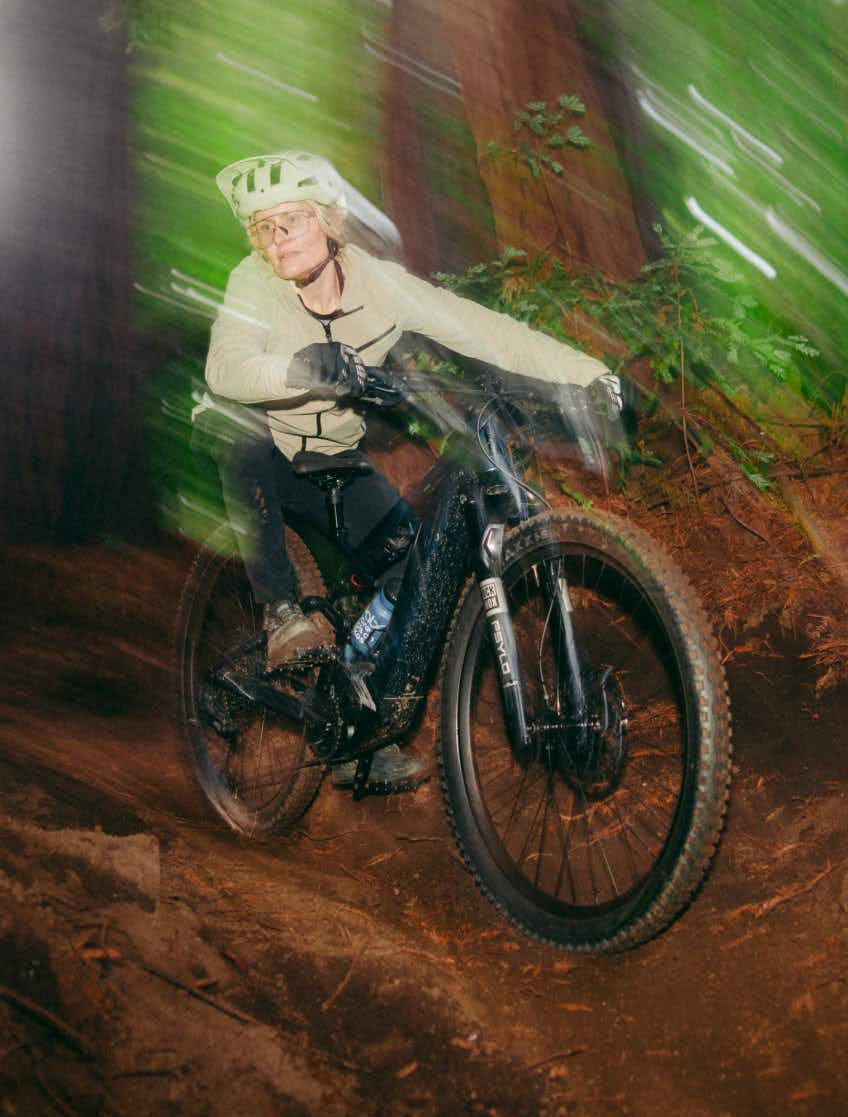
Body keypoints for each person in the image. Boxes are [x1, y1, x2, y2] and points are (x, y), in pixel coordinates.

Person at [197, 149, 620, 788]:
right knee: (238, 433)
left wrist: (588, 374)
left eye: (292, 220)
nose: (277, 239)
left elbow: (482, 328)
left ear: (327, 222)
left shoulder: (379, 285)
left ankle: (360, 727)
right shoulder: (253, 283)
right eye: (265, 228)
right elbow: (225, 366)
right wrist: (300, 368)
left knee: (410, 563)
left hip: (334, 460)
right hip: (270, 450)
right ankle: (281, 612)